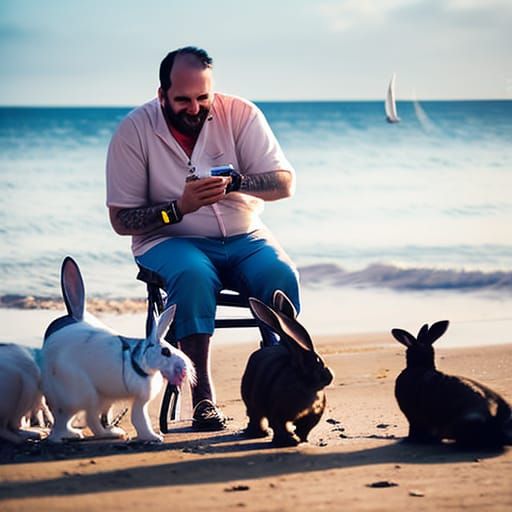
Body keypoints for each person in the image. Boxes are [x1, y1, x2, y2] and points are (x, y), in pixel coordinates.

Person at [106, 46, 300, 431]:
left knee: (280, 273)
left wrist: (238, 183)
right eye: (182, 100)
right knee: (193, 275)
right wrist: (178, 208)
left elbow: (284, 183)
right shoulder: (133, 131)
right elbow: (122, 219)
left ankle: (280, 378)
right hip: (169, 240)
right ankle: (204, 400)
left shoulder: (241, 114)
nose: (194, 108)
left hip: (245, 234)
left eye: (202, 98)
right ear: (162, 94)